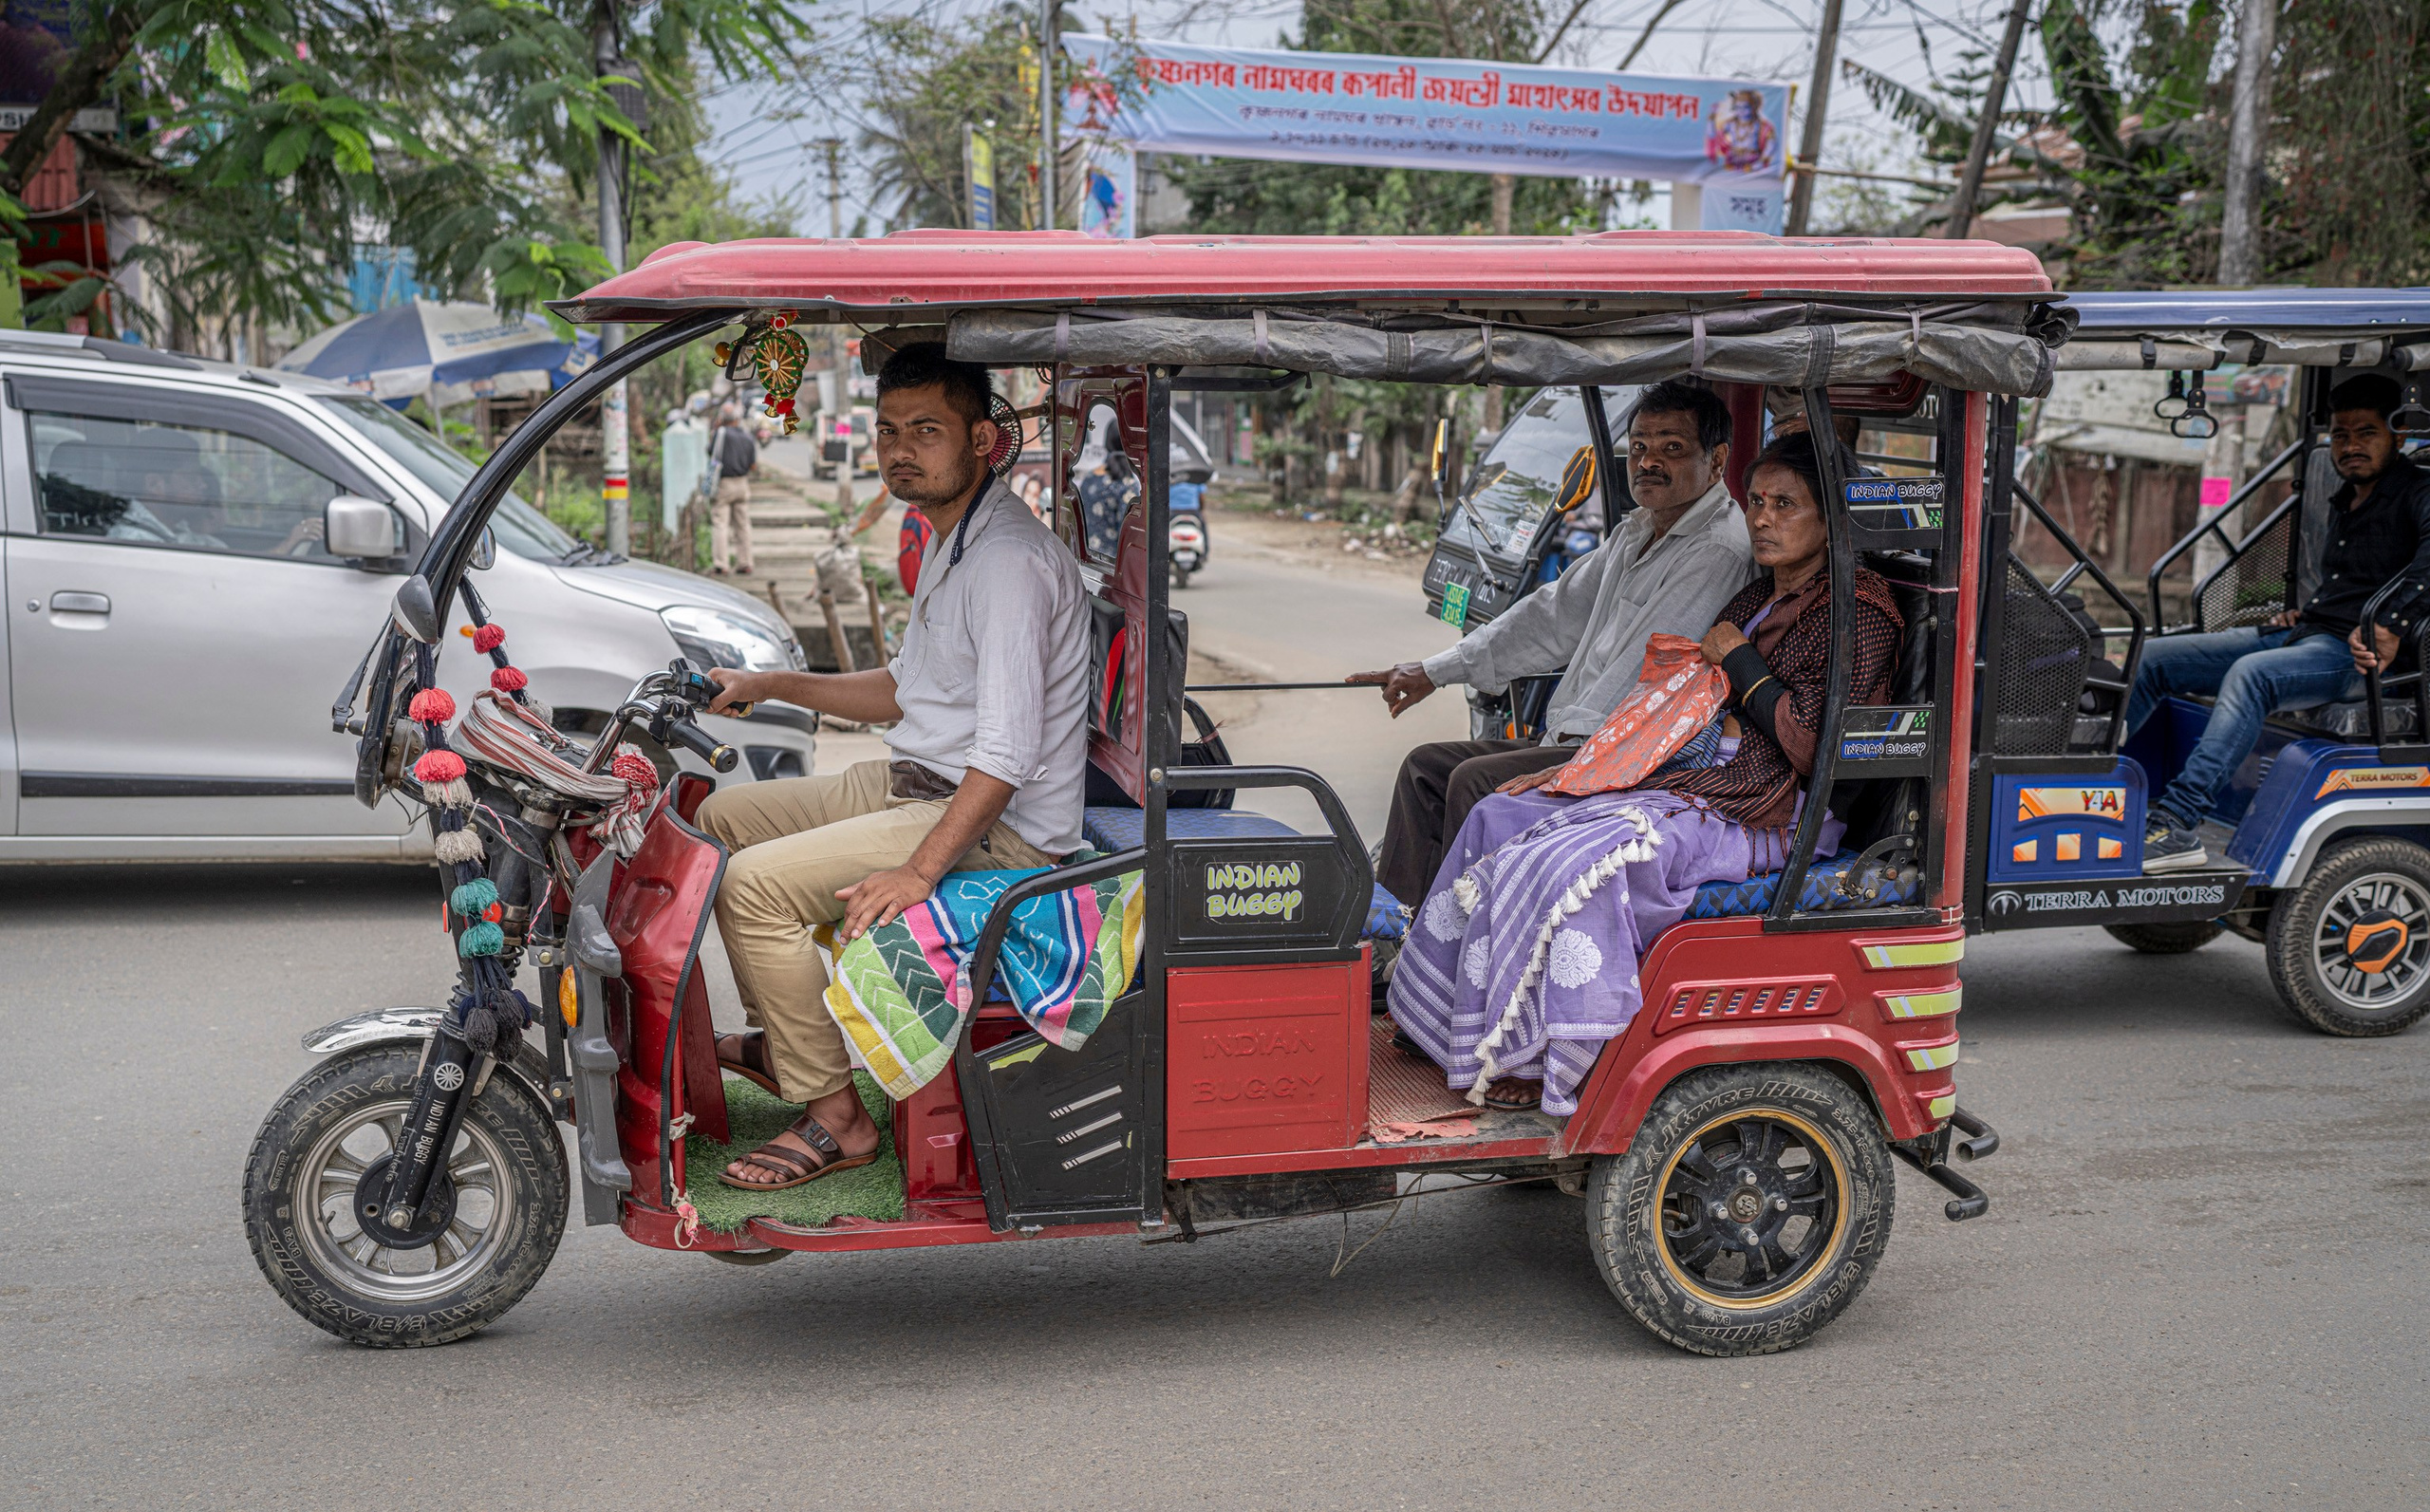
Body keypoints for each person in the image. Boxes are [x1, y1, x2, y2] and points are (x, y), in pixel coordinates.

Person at [1388, 430, 1903, 1111]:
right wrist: (1578, 773)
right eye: (1757, 501)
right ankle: (1448, 1018)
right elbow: (1670, 707)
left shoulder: (1859, 612)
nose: (1763, 518)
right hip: (1687, 780)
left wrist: (1742, 662)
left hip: (1760, 809)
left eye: (1786, 504)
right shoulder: (1755, 598)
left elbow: (1815, 748)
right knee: (1498, 812)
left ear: (1829, 517)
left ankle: (1540, 1054)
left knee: (1567, 864)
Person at [691, 344, 1091, 1188]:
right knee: (722, 823)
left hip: (997, 824)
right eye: (888, 431)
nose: (900, 449)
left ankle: (839, 1119)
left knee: (752, 886)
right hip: (921, 778)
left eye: (926, 431)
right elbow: (905, 691)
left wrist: (917, 872)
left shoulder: (1009, 563)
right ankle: (786, 1040)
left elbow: (1006, 757)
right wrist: (768, 684)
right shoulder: (951, 537)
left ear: (984, 439)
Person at [1352, 381, 1755, 907]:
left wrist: (1574, 760)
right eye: (1639, 447)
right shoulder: (1638, 532)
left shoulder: (1717, 550)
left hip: (1622, 756)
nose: (1648, 462)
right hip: (1576, 739)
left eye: (1671, 448)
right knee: (1426, 768)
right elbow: (1551, 614)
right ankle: (1398, 927)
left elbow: (1646, 686)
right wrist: (1435, 670)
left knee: (1474, 784)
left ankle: (1451, 946)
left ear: (1717, 459)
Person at [2127, 374, 2430, 871]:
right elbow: (2345, 584)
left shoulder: (2417, 492)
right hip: (2307, 633)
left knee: (2253, 675)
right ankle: (2096, 792)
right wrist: (2305, 612)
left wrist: (2392, 624)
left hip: (2355, 659)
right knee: (2154, 657)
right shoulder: (2345, 497)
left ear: (2398, 436)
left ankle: (2179, 824)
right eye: (2341, 435)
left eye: (2366, 433)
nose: (2350, 446)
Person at [707, 402, 757, 576]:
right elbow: (753, 465)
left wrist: (715, 428)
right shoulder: (747, 436)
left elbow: (711, 454)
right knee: (743, 525)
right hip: (742, 483)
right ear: (737, 419)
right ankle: (745, 562)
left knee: (721, 523)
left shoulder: (720, 434)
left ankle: (721, 564)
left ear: (722, 418)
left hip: (725, 483)